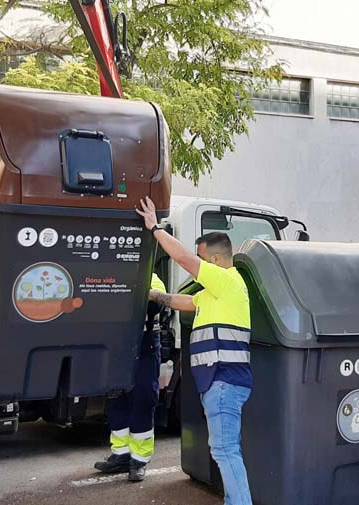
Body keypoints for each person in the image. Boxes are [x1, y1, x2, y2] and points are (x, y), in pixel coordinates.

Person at [136, 197, 253, 505]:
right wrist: (149, 293)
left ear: (214, 260)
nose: (197, 266)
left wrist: (155, 228)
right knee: (226, 449)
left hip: (224, 381)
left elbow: (186, 260)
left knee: (226, 450)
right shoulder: (214, 294)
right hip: (218, 382)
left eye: (202, 259)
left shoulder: (227, 280)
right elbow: (182, 301)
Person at [94, 273, 167, 482]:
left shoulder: (152, 279)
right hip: (114, 345)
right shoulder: (110, 275)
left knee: (142, 401)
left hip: (144, 345)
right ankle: (121, 454)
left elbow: (155, 305)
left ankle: (139, 460)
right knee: (116, 400)